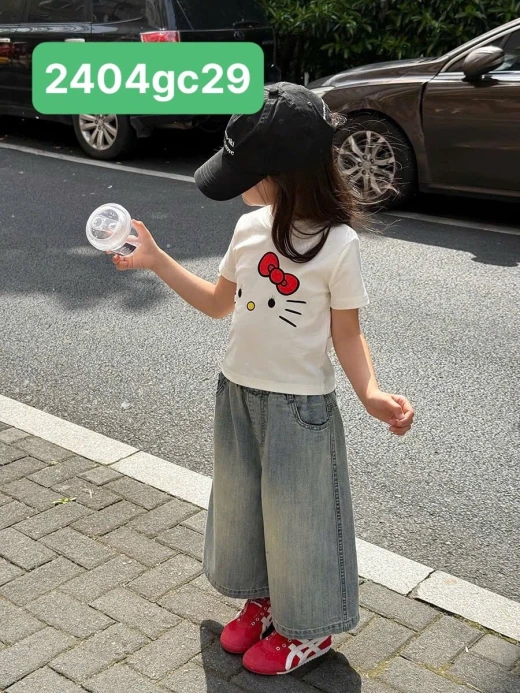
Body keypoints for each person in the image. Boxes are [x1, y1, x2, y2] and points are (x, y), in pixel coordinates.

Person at [108, 82, 415, 676]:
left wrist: (371, 393)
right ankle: (266, 600)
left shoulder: (338, 244)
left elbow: (347, 334)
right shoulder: (250, 229)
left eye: (248, 171)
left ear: (283, 172)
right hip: (237, 393)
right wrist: (156, 259)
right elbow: (218, 303)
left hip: (300, 409)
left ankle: (310, 629)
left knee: (300, 520)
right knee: (244, 508)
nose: (239, 184)